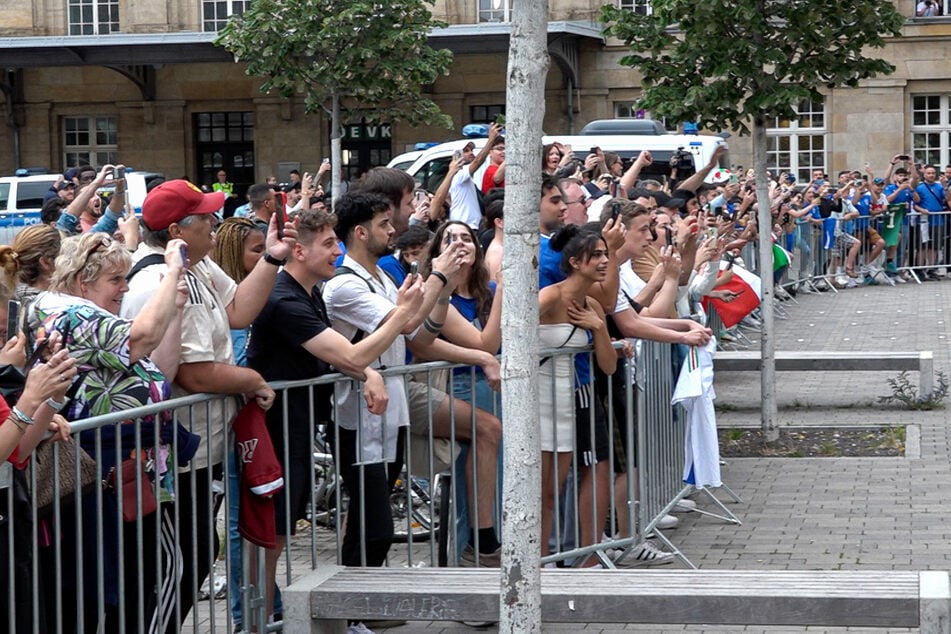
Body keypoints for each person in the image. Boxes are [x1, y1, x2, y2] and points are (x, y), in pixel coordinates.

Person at [121, 179, 296, 631]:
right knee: (178, 563)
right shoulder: (163, 278)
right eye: (206, 218)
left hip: (200, 448)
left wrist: (274, 257)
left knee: (194, 554)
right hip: (175, 454)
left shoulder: (197, 267)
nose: (216, 223)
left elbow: (238, 309)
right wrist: (253, 379)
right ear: (179, 230)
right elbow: (191, 372)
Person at [249, 207, 423, 622]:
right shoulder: (284, 298)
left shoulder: (307, 292)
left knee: (281, 528)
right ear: (298, 251)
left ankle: (270, 612)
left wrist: (366, 374)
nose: (337, 252)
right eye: (328, 245)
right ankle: (259, 616)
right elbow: (350, 352)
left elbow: (344, 359)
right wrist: (398, 316)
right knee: (270, 532)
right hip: (275, 428)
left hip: (298, 424)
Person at [29, 231, 194, 632]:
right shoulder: (73, 316)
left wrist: (174, 308)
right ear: (82, 281)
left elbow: (160, 369)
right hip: (104, 472)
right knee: (138, 580)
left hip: (129, 473)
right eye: (116, 280)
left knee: (136, 582)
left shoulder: (87, 315)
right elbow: (140, 339)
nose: (125, 288)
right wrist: (172, 269)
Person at [321, 191, 466, 569]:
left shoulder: (382, 275)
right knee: (376, 525)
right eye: (383, 224)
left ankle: (357, 608)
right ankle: (352, 607)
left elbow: (411, 324)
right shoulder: (344, 284)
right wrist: (438, 273)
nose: (393, 230)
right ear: (360, 232)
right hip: (358, 411)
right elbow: (400, 321)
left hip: (391, 406)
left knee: (373, 518)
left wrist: (439, 284)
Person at [538, 224, 618, 567]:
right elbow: (507, 335)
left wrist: (599, 328)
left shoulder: (594, 306)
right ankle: (535, 564)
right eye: (596, 255)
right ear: (574, 262)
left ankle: (582, 556)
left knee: (560, 484)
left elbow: (608, 366)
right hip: (540, 398)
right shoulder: (550, 297)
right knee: (544, 491)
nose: (603, 261)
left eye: (605, 254)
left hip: (571, 398)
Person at [209, 215, 272, 629]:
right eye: (257, 251)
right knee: (236, 525)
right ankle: (243, 616)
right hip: (232, 431)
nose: (264, 257)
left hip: (246, 428)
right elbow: (230, 363)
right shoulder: (230, 311)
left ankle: (265, 603)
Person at [448, 123, 502, 229]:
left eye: (471, 150)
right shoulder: (459, 174)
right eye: (466, 151)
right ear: (456, 155)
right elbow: (478, 161)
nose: (471, 153)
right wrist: (491, 139)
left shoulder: (462, 176)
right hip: (466, 226)